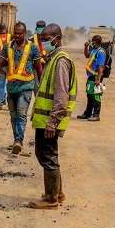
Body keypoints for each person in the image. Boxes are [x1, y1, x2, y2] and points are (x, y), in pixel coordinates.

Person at [28, 23, 76, 210]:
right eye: (42, 40)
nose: (44, 43)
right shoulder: (53, 58)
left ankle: (51, 199)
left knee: (47, 156)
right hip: (45, 119)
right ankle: (58, 192)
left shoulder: (61, 61)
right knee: (46, 154)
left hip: (49, 120)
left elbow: (61, 96)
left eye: (47, 40)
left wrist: (52, 122)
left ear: (57, 38)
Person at [0, 22, 42, 154]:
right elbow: (0, 64)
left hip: (26, 86)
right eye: (15, 33)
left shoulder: (33, 48)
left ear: (25, 33)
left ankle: (19, 140)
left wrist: (41, 83)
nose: (17, 35)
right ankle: (16, 140)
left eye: (20, 33)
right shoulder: (7, 47)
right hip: (11, 87)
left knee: (22, 114)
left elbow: (38, 67)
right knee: (13, 116)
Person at [78, 35, 107, 120]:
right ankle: (87, 113)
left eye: (92, 42)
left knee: (96, 95)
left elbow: (101, 66)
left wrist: (98, 79)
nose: (91, 43)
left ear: (94, 42)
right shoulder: (94, 51)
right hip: (90, 76)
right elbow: (87, 55)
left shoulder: (101, 52)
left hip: (96, 76)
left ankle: (96, 115)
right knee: (89, 95)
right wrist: (86, 47)